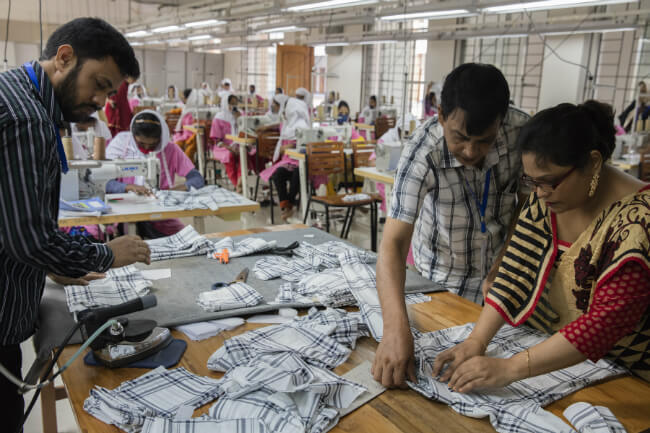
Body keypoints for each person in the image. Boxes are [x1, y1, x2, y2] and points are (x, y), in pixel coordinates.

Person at [431, 100, 650, 392]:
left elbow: (605, 323)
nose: (538, 193)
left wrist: (510, 368)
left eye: (547, 182)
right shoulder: (548, 197)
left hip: (629, 376)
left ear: (593, 162)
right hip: (562, 359)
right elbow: (515, 268)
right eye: (531, 181)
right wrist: (476, 341)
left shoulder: (639, 222)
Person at [0, 17, 150, 432]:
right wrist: (105, 253)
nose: (101, 100)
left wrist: (54, 262)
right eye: (98, 84)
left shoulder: (14, 93)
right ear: (64, 58)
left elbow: (11, 215)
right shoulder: (27, 118)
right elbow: (27, 237)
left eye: (109, 91)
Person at [372, 63, 530, 388]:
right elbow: (393, 244)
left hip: (504, 276)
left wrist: (505, 261)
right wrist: (394, 328)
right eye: (459, 137)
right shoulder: (422, 152)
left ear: (502, 120)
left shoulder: (521, 134)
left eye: (485, 141)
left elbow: (529, 207)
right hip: (443, 279)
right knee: (438, 377)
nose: (471, 151)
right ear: (442, 115)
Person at [106, 110, 205, 238]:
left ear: (161, 138)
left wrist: (178, 189)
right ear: (133, 136)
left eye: (152, 144)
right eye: (141, 144)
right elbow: (104, 183)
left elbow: (197, 179)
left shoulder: (171, 149)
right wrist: (128, 187)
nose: (147, 148)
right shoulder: (121, 147)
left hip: (160, 214)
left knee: (188, 239)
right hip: (123, 212)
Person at [259, 96, 311, 221]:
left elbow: (305, 144)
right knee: (278, 174)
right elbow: (280, 128)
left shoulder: (303, 126)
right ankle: (285, 204)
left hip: (301, 162)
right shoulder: (287, 125)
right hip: (288, 160)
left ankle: (290, 205)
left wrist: (290, 146)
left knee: (297, 174)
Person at [210, 93, 250, 191]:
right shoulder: (219, 118)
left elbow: (247, 131)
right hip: (223, 147)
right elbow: (217, 140)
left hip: (239, 144)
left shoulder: (241, 114)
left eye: (235, 104)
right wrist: (229, 147)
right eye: (231, 104)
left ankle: (241, 180)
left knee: (244, 154)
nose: (233, 107)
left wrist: (240, 120)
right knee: (230, 156)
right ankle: (237, 184)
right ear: (225, 103)